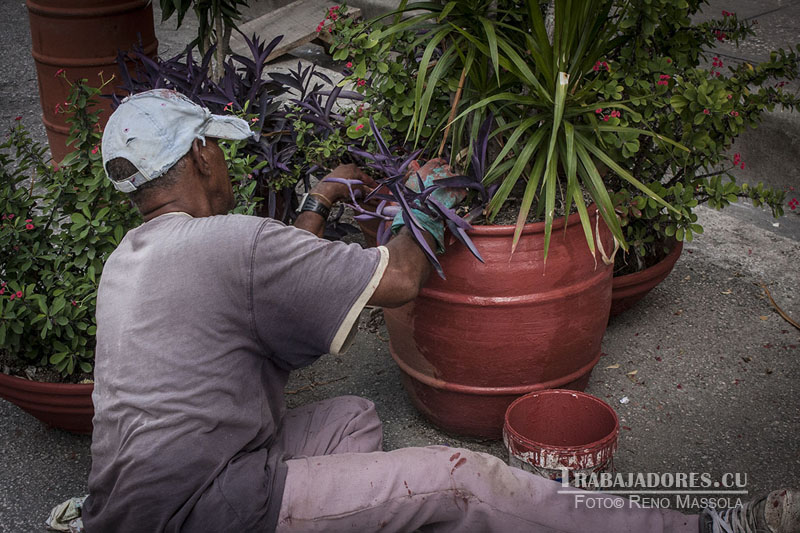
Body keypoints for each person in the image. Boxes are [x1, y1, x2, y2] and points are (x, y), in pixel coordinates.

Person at [82, 89, 798, 533]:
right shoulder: (229, 244)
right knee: (458, 478)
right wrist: (426, 201)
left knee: (353, 416)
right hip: (210, 508)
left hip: (133, 503)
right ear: (203, 153)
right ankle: (701, 525)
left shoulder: (135, 260)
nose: (228, 166)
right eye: (222, 151)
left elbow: (275, 277)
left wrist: (321, 200)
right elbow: (396, 280)